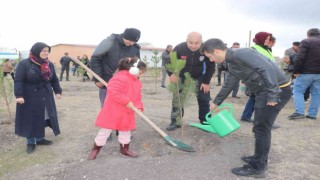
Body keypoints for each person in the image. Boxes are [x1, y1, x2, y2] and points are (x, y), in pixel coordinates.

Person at [200, 38, 291, 178]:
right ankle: (257, 157)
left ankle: (258, 167)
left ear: (217, 51)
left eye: (210, 56)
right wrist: (216, 102)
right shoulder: (231, 63)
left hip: (276, 90)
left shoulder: (242, 53)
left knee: (262, 129)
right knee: (259, 126)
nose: (211, 60)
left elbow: (265, 68)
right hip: (264, 91)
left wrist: (273, 94)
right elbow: (229, 84)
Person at [88, 57, 146, 160]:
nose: (141, 75)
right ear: (133, 69)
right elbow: (114, 92)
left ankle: (124, 150)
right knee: (105, 130)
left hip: (127, 112)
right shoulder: (119, 78)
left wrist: (139, 106)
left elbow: (138, 96)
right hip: (113, 110)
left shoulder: (137, 82)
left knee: (125, 130)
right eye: (140, 72)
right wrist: (126, 101)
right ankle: (95, 149)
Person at [14, 42, 62, 154]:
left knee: (43, 117)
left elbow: (54, 79)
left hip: (45, 94)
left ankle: (40, 139)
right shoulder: (24, 64)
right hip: (29, 96)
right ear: (36, 51)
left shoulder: (49, 64)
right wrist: (19, 95)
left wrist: (57, 91)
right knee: (30, 118)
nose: (46, 53)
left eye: (47, 50)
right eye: (43, 50)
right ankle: (31, 142)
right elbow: (18, 80)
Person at [166, 31, 215, 131]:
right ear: (186, 40)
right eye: (190, 42)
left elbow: (211, 66)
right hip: (182, 77)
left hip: (200, 77)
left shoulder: (206, 50)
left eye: (197, 43)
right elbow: (168, 61)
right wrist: (171, 74)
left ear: (201, 41)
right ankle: (176, 122)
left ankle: (205, 123)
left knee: (204, 99)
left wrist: (206, 82)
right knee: (178, 100)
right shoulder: (179, 48)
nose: (193, 45)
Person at [90, 28, 141, 107]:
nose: (131, 44)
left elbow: (136, 64)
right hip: (107, 81)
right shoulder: (109, 42)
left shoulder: (135, 48)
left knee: (122, 108)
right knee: (107, 107)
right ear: (125, 36)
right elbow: (95, 59)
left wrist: (135, 77)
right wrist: (97, 78)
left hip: (125, 84)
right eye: (130, 41)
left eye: (134, 42)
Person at [240, 32, 275, 123]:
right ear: (261, 39)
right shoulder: (254, 49)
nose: (268, 41)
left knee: (255, 97)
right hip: (259, 77)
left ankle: (247, 115)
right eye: (267, 39)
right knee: (260, 98)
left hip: (266, 77)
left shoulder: (267, 49)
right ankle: (259, 120)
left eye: (269, 39)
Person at [288, 28, 320, 120]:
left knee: (298, 91)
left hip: (306, 72)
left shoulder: (306, 41)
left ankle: (299, 112)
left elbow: (299, 57)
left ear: (308, 34)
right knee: (317, 94)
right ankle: (312, 114)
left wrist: (296, 71)